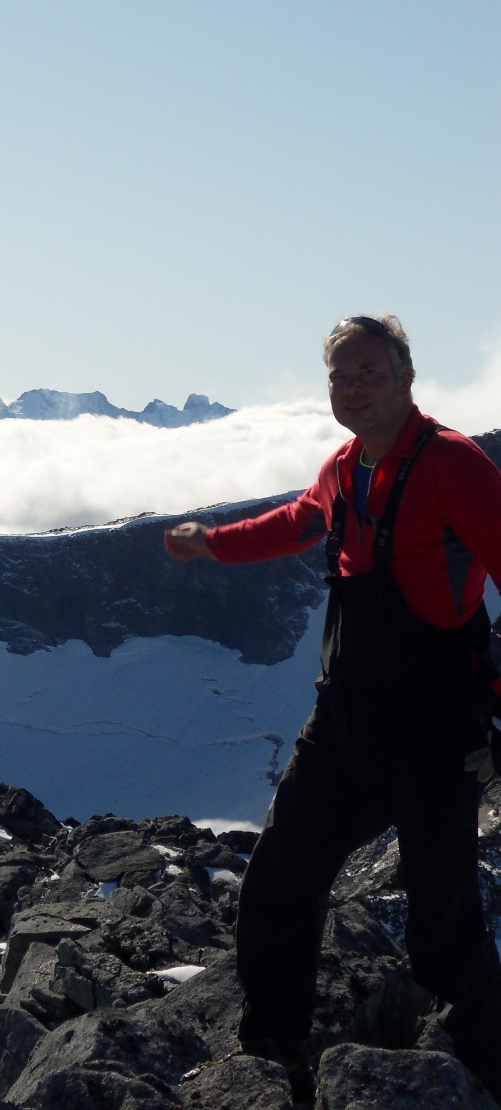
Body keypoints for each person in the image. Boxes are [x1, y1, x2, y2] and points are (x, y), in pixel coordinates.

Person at [164, 315, 501, 1102]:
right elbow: (297, 523)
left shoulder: (454, 464)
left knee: (443, 917)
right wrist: (213, 542)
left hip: (436, 728)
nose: (352, 389)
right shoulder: (344, 467)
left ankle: (484, 1067)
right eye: (339, 377)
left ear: (407, 377)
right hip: (344, 721)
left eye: (368, 373)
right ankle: (273, 1049)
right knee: (280, 877)